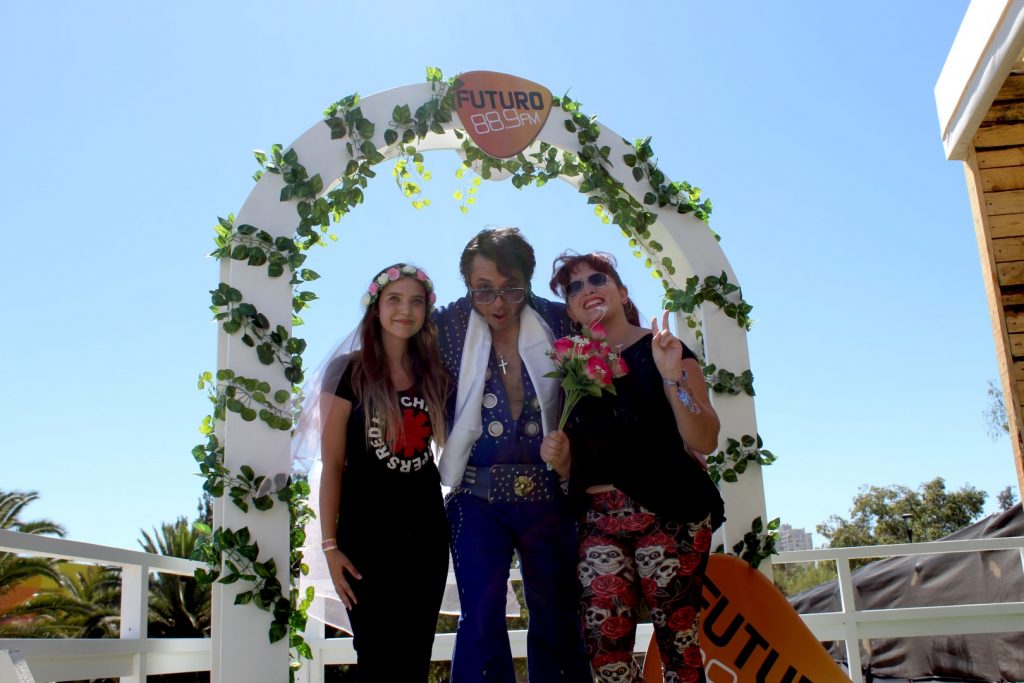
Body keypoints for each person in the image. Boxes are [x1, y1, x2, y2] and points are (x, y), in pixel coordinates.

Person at [541, 252, 725, 683]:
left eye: (597, 279)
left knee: (679, 650)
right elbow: (581, 462)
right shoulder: (570, 368)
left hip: (671, 514)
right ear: (571, 311)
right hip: (599, 521)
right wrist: (562, 460)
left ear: (622, 293)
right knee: (606, 656)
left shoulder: (663, 350)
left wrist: (672, 377)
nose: (587, 290)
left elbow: (705, 440)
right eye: (574, 287)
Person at [434, 228, 591, 682]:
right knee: (481, 618)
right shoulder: (445, 326)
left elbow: (604, 378)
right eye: (483, 290)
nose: (498, 303)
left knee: (557, 615)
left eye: (512, 289)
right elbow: (391, 338)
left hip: (550, 495)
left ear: (528, 281)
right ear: (467, 285)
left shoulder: (561, 321)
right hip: (475, 497)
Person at [315, 263, 451, 682]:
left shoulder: (435, 374)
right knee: (375, 658)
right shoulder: (347, 372)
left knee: (415, 659)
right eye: (394, 299)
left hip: (426, 538)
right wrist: (329, 547)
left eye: (416, 301)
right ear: (375, 307)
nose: (405, 310)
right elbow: (332, 464)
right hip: (365, 540)